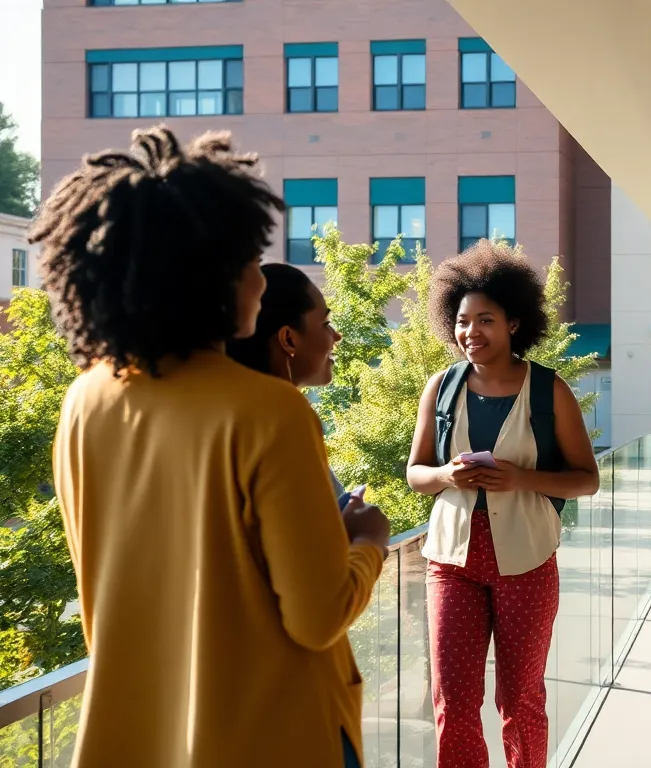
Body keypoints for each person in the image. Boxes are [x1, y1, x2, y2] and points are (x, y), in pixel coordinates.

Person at [33, 126, 391, 768]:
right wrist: (368, 540)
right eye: (250, 261)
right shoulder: (268, 412)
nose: (259, 278)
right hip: (277, 738)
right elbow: (318, 616)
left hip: (138, 737)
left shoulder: (85, 402)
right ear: (209, 275)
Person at [406, 240, 600, 768]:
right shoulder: (440, 388)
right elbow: (415, 473)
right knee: (454, 702)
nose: (472, 333)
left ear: (515, 323)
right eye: (463, 321)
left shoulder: (548, 391)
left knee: (520, 701)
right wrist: (447, 474)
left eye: (485, 320)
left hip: (528, 563)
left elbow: (587, 480)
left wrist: (521, 478)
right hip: (451, 563)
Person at [226, 262, 351, 504]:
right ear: (288, 339)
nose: (336, 336)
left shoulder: (229, 413)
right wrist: (368, 534)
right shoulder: (284, 419)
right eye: (325, 324)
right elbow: (320, 539)